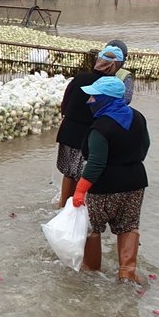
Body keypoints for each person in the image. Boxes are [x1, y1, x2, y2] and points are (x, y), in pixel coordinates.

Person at [71, 77, 150, 284]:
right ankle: (127, 272)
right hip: (135, 182)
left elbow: (96, 163)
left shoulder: (101, 128)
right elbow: (145, 147)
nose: (89, 100)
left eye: (94, 96)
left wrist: (79, 191)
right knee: (129, 226)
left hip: (104, 186)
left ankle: (91, 271)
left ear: (105, 99)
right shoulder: (138, 117)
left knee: (93, 228)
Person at [54, 49, 102, 208]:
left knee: (69, 172)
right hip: (86, 135)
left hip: (68, 131)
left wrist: (66, 118)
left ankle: (62, 206)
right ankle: (74, 208)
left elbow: (65, 102)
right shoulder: (107, 84)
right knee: (82, 174)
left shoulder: (80, 78)